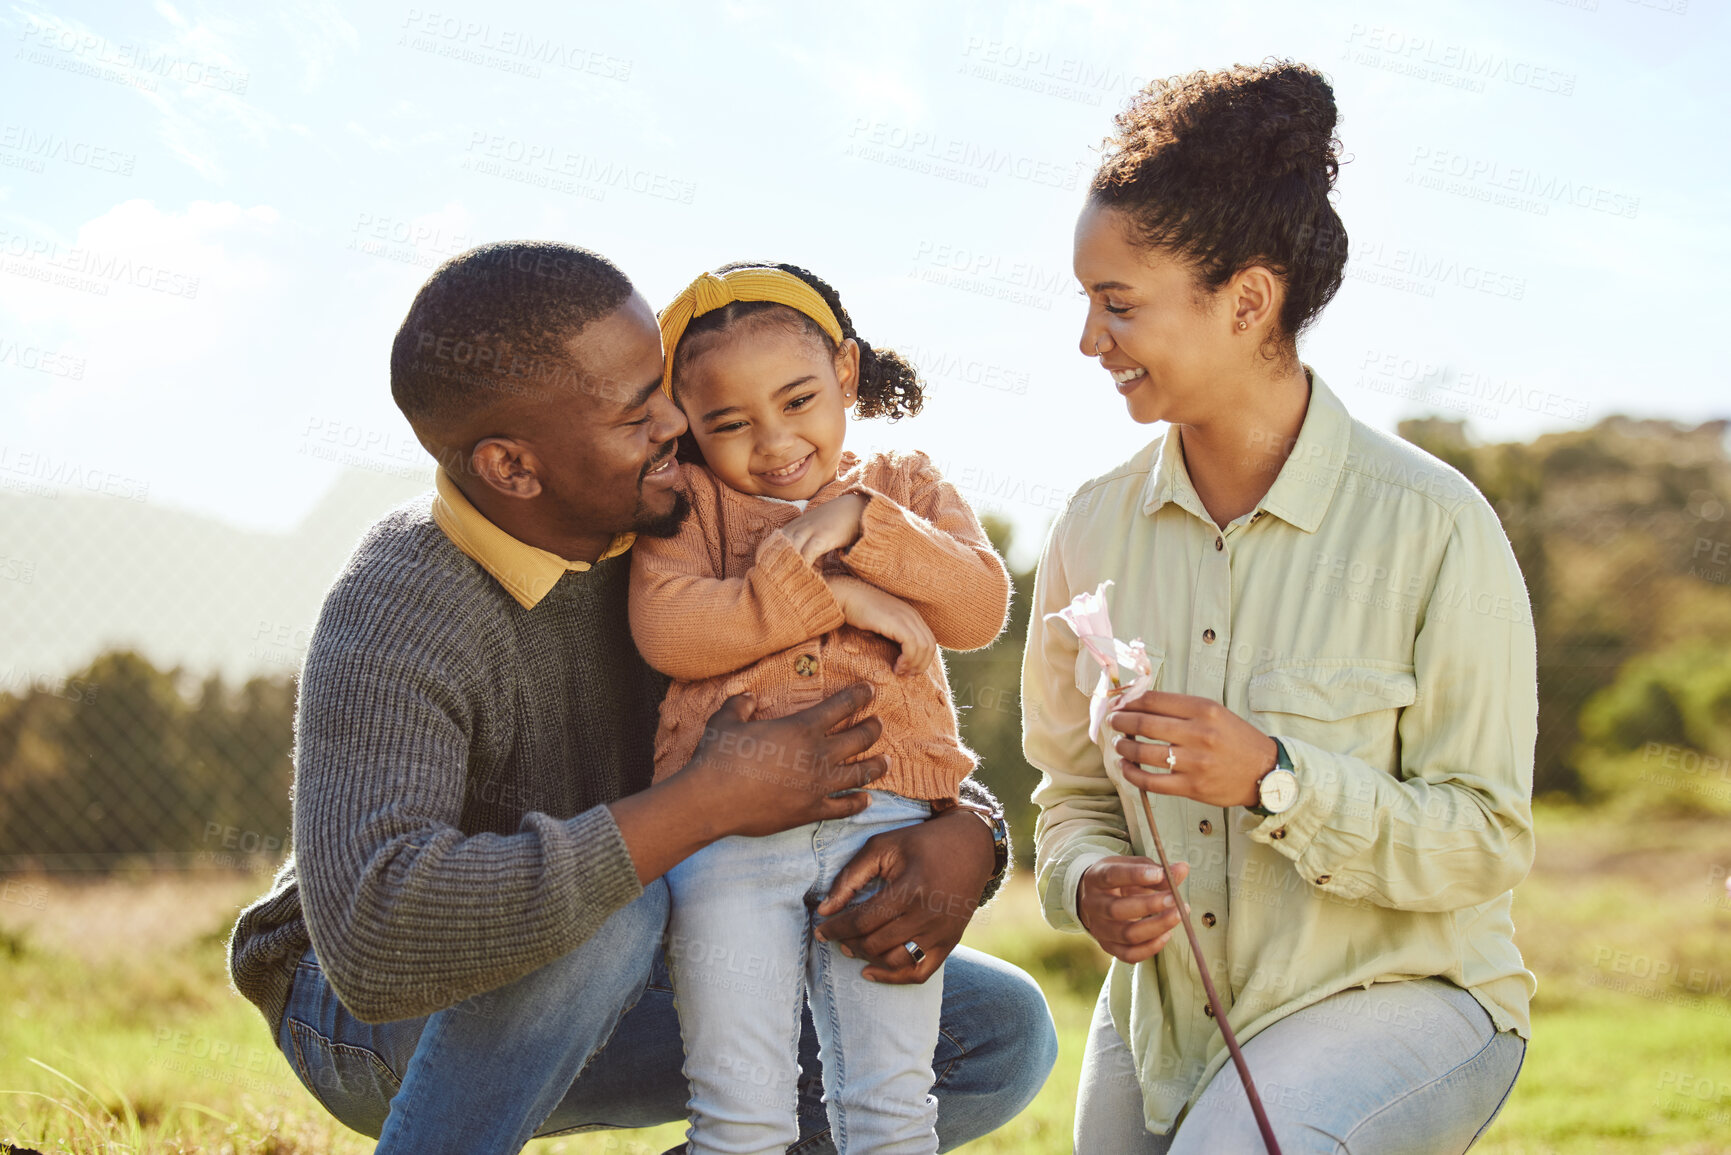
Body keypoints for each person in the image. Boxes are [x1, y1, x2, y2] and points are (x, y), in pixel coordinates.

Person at [224, 241, 1057, 1155]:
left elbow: (852, 683)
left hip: (637, 953)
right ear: (513, 467)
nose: (679, 421)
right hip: (365, 1017)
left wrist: (967, 833)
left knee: (994, 1029)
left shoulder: (682, 519)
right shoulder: (406, 598)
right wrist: (702, 803)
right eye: (637, 414)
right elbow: (376, 940)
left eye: (663, 387)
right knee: (616, 907)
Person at [1023, 62, 1535, 1153]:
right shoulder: (1088, 528)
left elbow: (1485, 840)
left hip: (1406, 995)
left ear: (1248, 301)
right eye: (1086, 303)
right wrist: (1086, 883)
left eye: (1118, 305)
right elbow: (1069, 792)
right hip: (1168, 1018)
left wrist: (1276, 778)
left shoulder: (1436, 527)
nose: (1088, 340)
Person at [631, 262, 1013, 1155]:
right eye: (728, 423)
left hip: (887, 830)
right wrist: (832, 597)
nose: (772, 441)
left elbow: (977, 606)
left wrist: (855, 522)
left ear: (845, 372)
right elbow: (670, 631)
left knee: (890, 1105)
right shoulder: (686, 508)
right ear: (689, 424)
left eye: (798, 399)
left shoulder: (903, 487)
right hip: (729, 841)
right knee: (739, 1112)